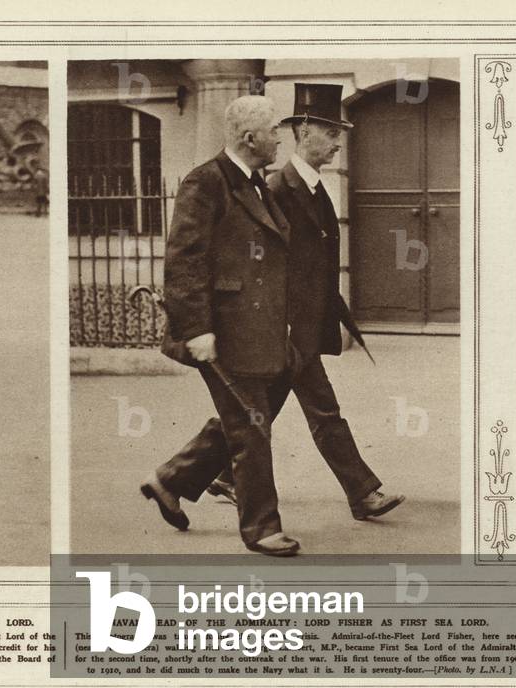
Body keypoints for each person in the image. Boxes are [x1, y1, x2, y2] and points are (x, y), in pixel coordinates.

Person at [141, 89, 405, 556]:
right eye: (270, 134)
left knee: (248, 421)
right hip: (222, 332)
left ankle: (172, 479)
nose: (279, 142)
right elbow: (184, 262)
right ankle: (261, 527)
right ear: (248, 137)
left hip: (259, 331)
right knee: (250, 425)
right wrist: (197, 329)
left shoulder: (255, 183)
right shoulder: (206, 183)